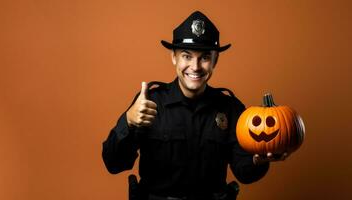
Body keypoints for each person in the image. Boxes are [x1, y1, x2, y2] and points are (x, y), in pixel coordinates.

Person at [102, 11, 288, 200]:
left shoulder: (230, 108)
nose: (195, 66)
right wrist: (128, 121)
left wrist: (259, 161)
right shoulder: (149, 102)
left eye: (205, 57)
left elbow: (244, 173)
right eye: (186, 56)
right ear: (174, 57)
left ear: (216, 60)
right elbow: (114, 164)